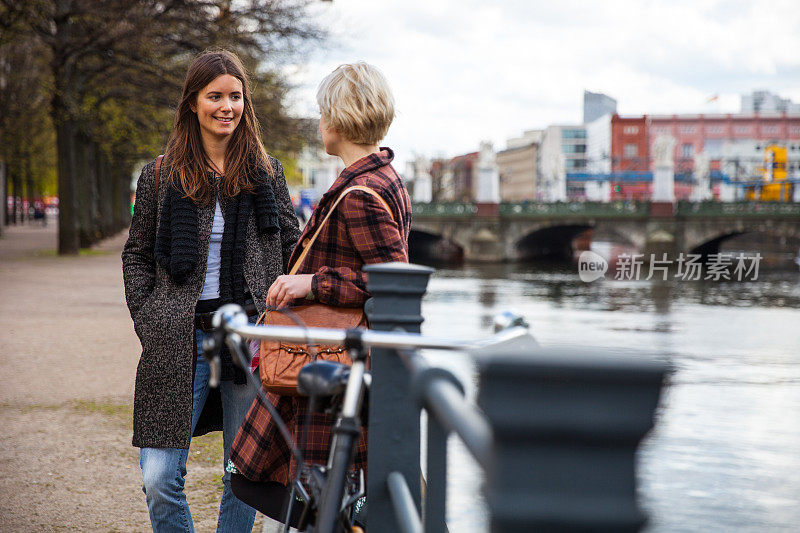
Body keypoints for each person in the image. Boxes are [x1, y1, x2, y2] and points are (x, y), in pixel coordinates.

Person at [121, 49, 301, 532]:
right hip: (177, 339)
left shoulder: (267, 173)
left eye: (235, 96)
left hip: (250, 340)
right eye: (215, 96)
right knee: (160, 477)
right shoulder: (161, 175)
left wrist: (282, 311)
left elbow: (293, 249)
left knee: (243, 474)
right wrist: (152, 319)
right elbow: (136, 255)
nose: (227, 106)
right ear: (193, 103)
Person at [227, 61, 411, 526]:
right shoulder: (382, 176)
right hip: (338, 355)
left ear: (337, 117)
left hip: (330, 359)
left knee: (288, 489)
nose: (319, 123)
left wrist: (312, 282)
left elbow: (396, 281)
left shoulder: (359, 194)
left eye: (322, 113)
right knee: (318, 491)